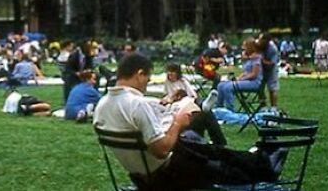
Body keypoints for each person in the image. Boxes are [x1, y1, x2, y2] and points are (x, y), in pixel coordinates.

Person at [93, 52, 286, 191]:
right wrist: (176, 123)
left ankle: (260, 160)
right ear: (140, 74)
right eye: (147, 78)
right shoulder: (136, 104)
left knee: (205, 146)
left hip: (140, 176)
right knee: (217, 163)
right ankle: (265, 169)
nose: (146, 83)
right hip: (166, 175)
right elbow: (161, 151)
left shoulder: (102, 106)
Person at [215, 38, 262, 112]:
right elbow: (246, 72)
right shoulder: (250, 58)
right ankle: (218, 109)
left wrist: (241, 79)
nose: (243, 48)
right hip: (247, 80)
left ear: (250, 47)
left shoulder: (257, 59)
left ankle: (230, 111)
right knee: (220, 85)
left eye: (245, 46)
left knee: (228, 87)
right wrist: (238, 77)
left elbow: (253, 75)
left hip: (254, 82)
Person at [257, 31, 280, 108]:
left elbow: (272, 64)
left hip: (271, 70)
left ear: (266, 41)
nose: (258, 41)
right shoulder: (257, 44)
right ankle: (263, 106)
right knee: (259, 87)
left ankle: (274, 108)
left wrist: (261, 60)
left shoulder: (273, 49)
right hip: (261, 69)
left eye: (260, 40)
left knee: (272, 88)